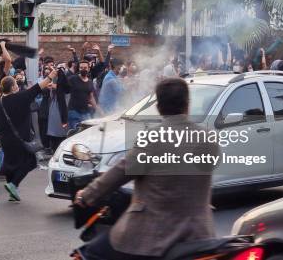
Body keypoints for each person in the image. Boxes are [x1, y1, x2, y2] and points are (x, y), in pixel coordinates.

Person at [74, 78, 219, 260]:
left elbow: (119, 173)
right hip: (200, 235)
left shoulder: (153, 138)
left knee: (92, 252)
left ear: (158, 107)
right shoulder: (208, 138)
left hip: (153, 238)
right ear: (187, 105)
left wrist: (86, 196)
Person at [0, 69, 58, 202]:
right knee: (31, 162)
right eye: (16, 84)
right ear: (14, 87)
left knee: (10, 164)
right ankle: (13, 185)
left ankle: (13, 194)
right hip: (21, 140)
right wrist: (51, 76)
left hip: (5, 140)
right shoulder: (21, 97)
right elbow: (38, 87)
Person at [59, 60, 98, 131]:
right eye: (81, 68)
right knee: (76, 133)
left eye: (85, 68)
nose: (83, 69)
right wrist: (53, 85)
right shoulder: (73, 79)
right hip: (74, 112)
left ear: (88, 69)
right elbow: (62, 86)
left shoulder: (90, 82)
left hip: (86, 112)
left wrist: (98, 110)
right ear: (79, 69)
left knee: (88, 132)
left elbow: (91, 98)